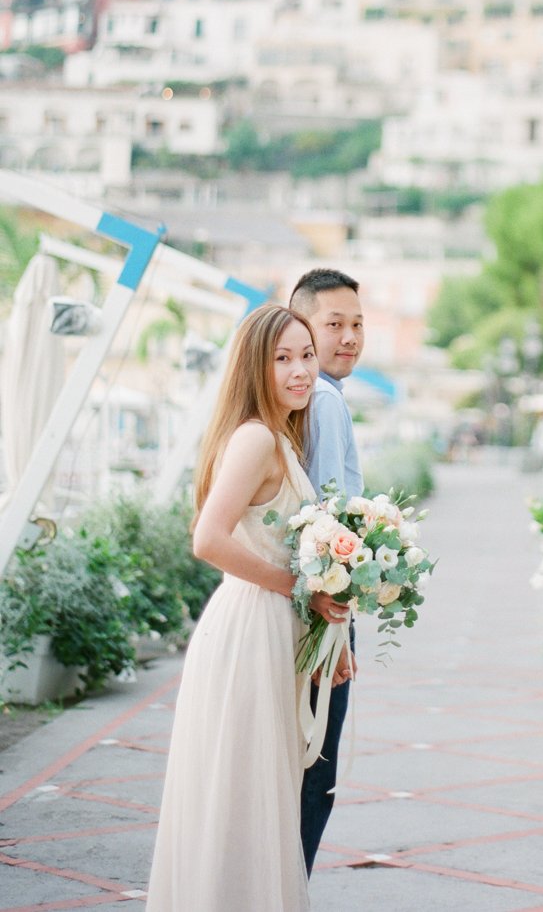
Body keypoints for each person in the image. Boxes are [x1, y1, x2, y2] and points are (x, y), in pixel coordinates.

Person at [146, 303, 351, 912]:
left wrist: (326, 638)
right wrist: (298, 592)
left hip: (273, 627)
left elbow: (290, 558)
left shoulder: (280, 437)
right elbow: (207, 539)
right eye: (282, 358)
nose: (300, 371)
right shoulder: (258, 437)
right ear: (253, 367)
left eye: (307, 356)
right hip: (249, 628)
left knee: (258, 795)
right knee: (242, 796)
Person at [289, 267, 366, 875]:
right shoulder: (325, 400)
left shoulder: (310, 398)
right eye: (333, 324)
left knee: (300, 760)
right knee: (318, 766)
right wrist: (335, 626)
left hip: (312, 599)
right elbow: (325, 516)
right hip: (323, 605)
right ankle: (290, 887)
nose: (349, 337)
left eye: (357, 324)